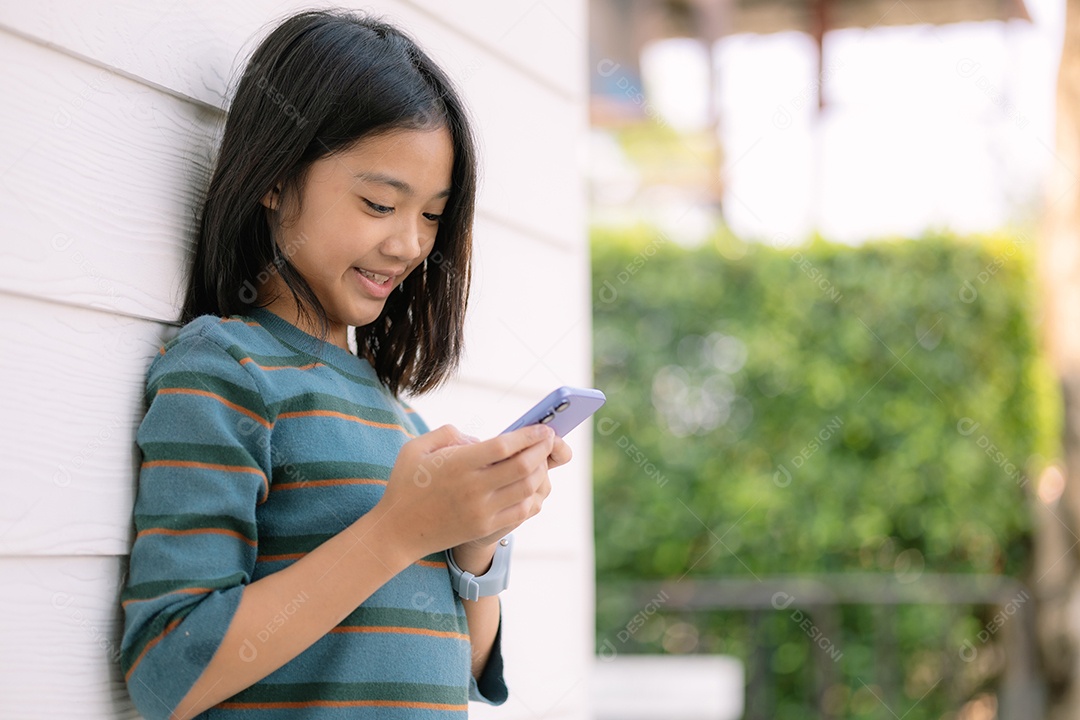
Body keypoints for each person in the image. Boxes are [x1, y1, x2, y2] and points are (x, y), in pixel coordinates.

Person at [118, 9, 570, 719]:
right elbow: (167, 669)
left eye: (431, 216)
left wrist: (476, 539)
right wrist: (399, 531)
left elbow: (474, 667)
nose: (410, 245)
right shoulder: (227, 371)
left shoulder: (397, 415)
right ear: (274, 176)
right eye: (380, 203)